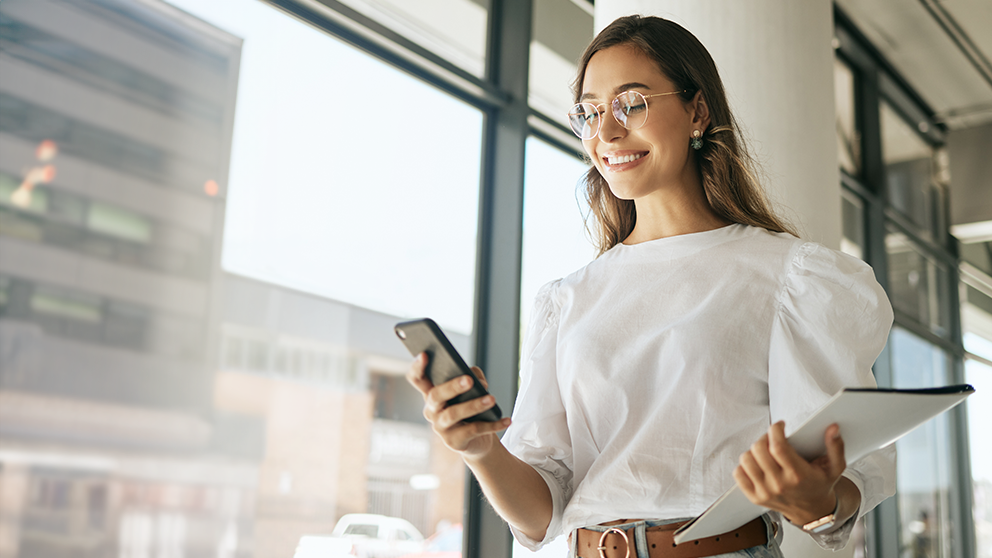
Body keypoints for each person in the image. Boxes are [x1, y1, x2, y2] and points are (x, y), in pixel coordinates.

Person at [406, 15, 895, 558]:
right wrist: (481, 450)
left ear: (697, 110)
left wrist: (817, 500)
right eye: (590, 113)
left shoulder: (789, 276)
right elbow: (542, 515)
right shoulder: (568, 300)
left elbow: (852, 472)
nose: (606, 133)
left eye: (631, 103)